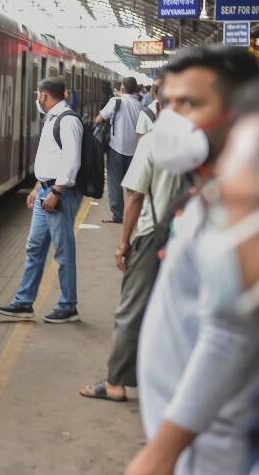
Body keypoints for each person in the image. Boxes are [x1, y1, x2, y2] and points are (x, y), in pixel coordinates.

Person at [124, 47, 259, 475]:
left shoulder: (250, 198)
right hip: (202, 437)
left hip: (221, 443)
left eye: (191, 104)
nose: (172, 118)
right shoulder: (211, 190)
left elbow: (230, 334)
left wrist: (161, 451)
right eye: (169, 103)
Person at [79, 119, 187, 402]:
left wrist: (123, 243)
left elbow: (136, 195)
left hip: (154, 237)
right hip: (192, 242)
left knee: (131, 310)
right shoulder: (209, 143)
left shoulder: (153, 142)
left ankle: (116, 382)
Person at [0, 78, 84, 323]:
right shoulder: (52, 119)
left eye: (38, 95)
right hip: (46, 190)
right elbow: (50, 159)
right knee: (35, 247)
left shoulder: (68, 121)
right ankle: (24, 303)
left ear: (44, 95)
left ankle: (68, 306)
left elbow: (71, 162)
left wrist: (56, 192)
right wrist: (37, 187)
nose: (37, 99)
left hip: (59, 194)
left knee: (63, 251)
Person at [95, 77, 143, 224]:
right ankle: (133, 212)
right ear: (135, 89)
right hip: (134, 149)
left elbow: (99, 119)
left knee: (114, 182)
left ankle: (118, 214)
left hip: (116, 147)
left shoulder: (116, 101)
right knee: (132, 183)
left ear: (122, 87)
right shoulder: (139, 105)